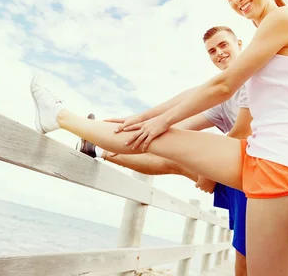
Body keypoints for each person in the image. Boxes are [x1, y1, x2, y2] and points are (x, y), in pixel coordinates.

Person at [30, 0, 288, 276]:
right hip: (259, 155)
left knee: (159, 136)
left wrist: (161, 121)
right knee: (154, 138)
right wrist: (145, 118)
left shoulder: (284, 18)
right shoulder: (265, 32)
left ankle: (65, 120)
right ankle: (60, 117)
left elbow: (223, 85)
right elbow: (197, 92)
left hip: (284, 168)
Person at [75, 26, 251, 276]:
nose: (219, 53)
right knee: (171, 155)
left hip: (255, 174)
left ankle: (96, 146)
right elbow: (177, 127)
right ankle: (97, 148)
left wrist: (208, 172)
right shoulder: (222, 101)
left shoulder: (251, 77)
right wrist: (134, 127)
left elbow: (246, 131)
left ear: (239, 44)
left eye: (224, 45)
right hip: (238, 175)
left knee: (246, 258)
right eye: (212, 51)